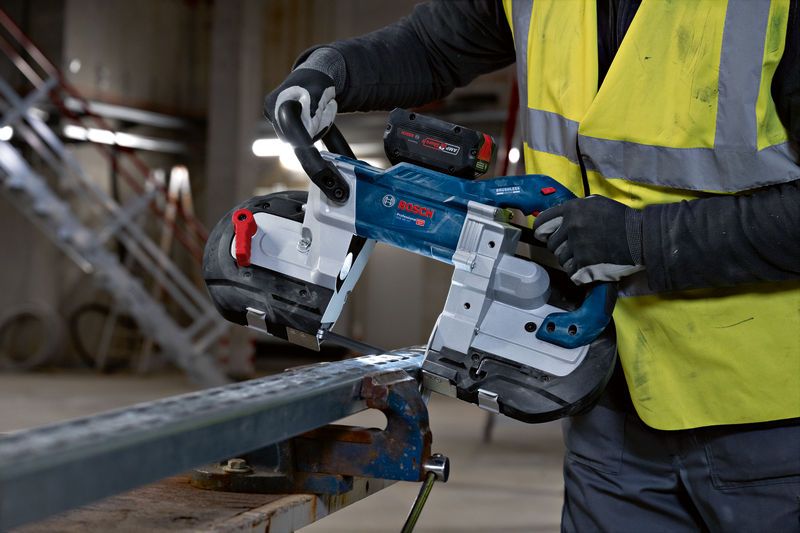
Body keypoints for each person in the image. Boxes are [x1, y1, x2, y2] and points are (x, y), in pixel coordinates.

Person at [265, 1, 800, 530]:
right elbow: (432, 45)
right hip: (604, 403)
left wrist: (642, 240)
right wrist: (332, 70)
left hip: (770, 421)